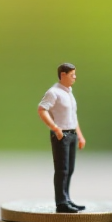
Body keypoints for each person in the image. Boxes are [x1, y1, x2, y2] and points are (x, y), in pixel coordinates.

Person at [37, 63, 87, 213]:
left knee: (69, 169)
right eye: (72, 75)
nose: (75, 78)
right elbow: (42, 109)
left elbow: (73, 116)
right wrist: (55, 128)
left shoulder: (68, 92)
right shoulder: (54, 92)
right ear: (63, 75)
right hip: (61, 135)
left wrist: (80, 135)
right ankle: (61, 202)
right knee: (61, 170)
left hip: (71, 134)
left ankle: (67, 198)